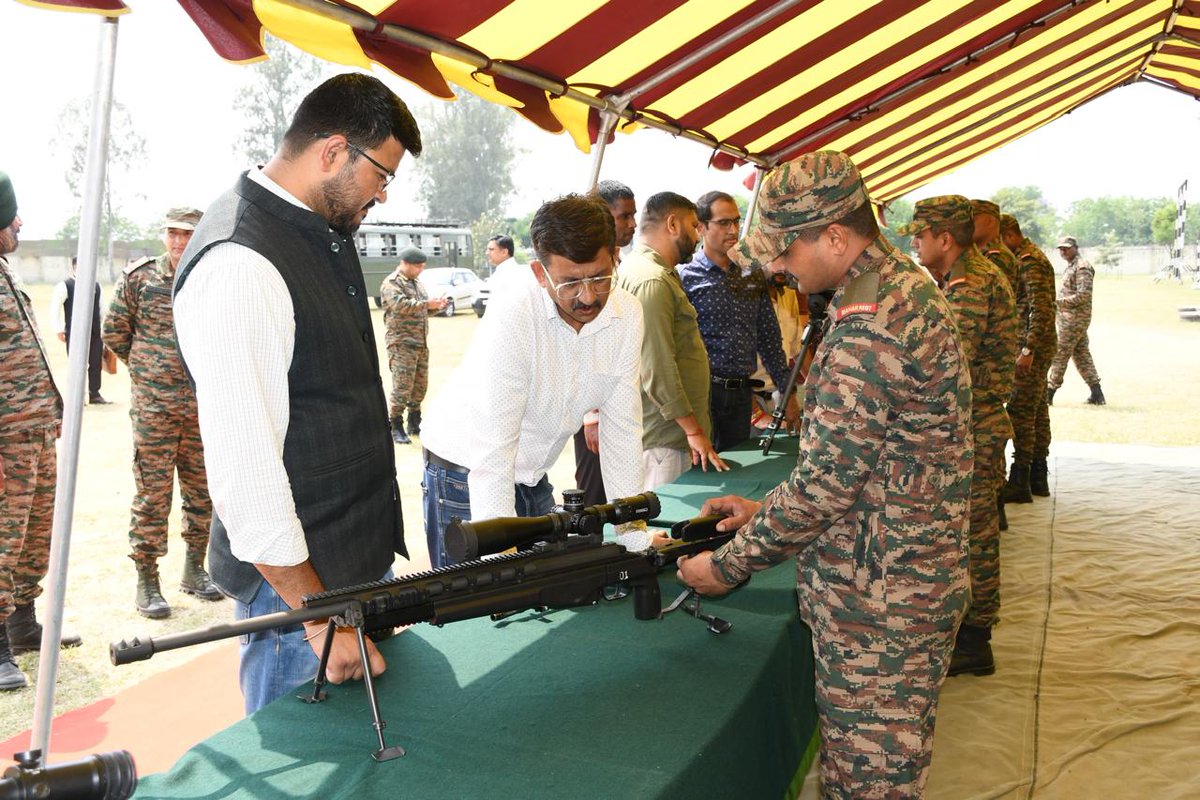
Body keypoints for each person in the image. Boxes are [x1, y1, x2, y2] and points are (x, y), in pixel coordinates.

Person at [676, 152, 971, 798]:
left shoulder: (871, 325)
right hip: (896, 577)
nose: (777, 268)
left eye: (784, 252)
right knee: (853, 775)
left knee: (872, 784)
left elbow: (828, 483)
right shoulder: (896, 290)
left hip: (884, 605)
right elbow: (870, 467)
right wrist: (762, 514)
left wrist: (727, 565)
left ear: (835, 237)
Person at [172, 73, 419, 713]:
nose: (382, 194)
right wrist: (318, 616)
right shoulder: (241, 260)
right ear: (333, 152)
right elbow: (246, 470)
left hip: (345, 568)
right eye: (380, 175)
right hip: (301, 598)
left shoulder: (310, 228)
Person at [420, 194, 647, 568]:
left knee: (540, 594)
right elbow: (493, 447)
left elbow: (622, 431)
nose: (588, 296)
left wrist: (634, 537)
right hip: (463, 471)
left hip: (532, 474)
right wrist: (498, 561)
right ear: (540, 274)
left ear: (615, 259)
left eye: (600, 277)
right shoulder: (515, 311)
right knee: (479, 604)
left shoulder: (627, 314)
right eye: (571, 283)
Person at [906, 195, 1016, 677]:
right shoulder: (961, 277)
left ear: (944, 240)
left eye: (920, 234)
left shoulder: (970, 285)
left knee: (975, 536)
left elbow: (948, 363)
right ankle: (969, 632)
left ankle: (975, 640)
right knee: (971, 534)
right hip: (974, 426)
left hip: (976, 428)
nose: (913, 241)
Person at [103, 207, 221, 619]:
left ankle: (194, 569)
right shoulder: (141, 278)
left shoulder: (212, 277)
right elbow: (115, 331)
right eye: (171, 233)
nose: (177, 242)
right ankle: (147, 579)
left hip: (200, 406)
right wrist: (150, 374)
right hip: (154, 410)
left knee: (202, 491)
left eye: (186, 234)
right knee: (153, 494)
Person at [0, 171, 82, 692]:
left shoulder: (5, 273)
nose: (19, 222)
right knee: (2, 540)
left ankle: (23, 624)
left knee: (32, 538)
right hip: (6, 441)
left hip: (33, 434)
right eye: (11, 214)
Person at [616, 192, 727, 489]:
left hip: (667, 434)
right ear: (673, 224)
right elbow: (657, 367)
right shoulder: (651, 279)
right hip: (664, 439)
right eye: (694, 226)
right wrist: (692, 430)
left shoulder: (651, 272)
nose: (698, 236)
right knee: (664, 528)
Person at [681, 190, 799, 450]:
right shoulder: (686, 277)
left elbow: (769, 339)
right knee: (704, 475)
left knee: (738, 470)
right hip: (704, 395)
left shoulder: (751, 274)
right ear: (701, 227)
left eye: (736, 221)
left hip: (743, 396)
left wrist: (788, 393)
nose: (733, 230)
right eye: (723, 223)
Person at [573, 179, 638, 507]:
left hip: (615, 398)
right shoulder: (584, 270)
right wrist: (591, 415)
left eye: (633, 216)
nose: (632, 225)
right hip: (592, 404)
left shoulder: (616, 264)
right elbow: (583, 340)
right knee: (594, 494)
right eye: (623, 216)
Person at [999, 214, 1057, 500]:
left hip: (1032, 349)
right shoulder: (1029, 257)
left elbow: (1042, 308)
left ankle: (1021, 478)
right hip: (1035, 346)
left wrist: (1027, 349)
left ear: (1009, 235)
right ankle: (1038, 475)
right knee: (1036, 411)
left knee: (1021, 412)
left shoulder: (1029, 260)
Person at [381, 246, 447, 445]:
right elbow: (401, 305)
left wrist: (437, 307)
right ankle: (395, 425)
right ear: (405, 263)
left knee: (419, 386)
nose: (420, 270)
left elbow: (419, 311)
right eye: (417, 266)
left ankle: (414, 421)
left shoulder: (416, 283)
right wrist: (427, 304)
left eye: (422, 267)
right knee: (402, 387)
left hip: (420, 344)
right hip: (401, 344)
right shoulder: (392, 283)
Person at [1047, 236, 1105, 406]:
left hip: (1074, 320)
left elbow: (1083, 296)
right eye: (1060, 249)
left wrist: (1056, 302)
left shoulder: (1082, 267)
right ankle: (1097, 393)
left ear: (1075, 248)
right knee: (1081, 355)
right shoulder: (1072, 266)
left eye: (1066, 248)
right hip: (1069, 318)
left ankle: (1049, 393)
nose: (1063, 251)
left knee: (1060, 354)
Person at [750, 271, 808, 428]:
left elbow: (798, 348)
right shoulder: (742, 296)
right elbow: (724, 366)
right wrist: (755, 415)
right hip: (749, 402)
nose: (782, 268)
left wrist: (814, 388)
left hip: (781, 395)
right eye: (775, 259)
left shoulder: (789, 293)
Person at [48, 257, 109, 405]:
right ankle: (78, 397)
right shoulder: (65, 285)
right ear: (74, 267)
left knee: (96, 364)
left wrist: (105, 330)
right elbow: (55, 308)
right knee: (77, 366)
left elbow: (103, 309)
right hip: (74, 333)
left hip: (95, 332)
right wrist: (58, 329)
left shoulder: (96, 286)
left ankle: (94, 394)